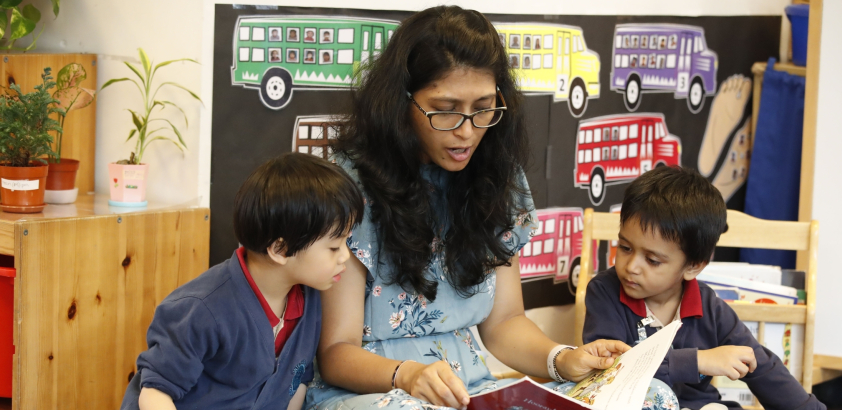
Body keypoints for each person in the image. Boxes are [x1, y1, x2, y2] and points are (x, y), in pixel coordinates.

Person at [304, 6, 676, 410]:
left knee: (653, 397)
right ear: (401, 103)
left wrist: (563, 359)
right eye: (445, 110)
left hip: (470, 389)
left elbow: (504, 324)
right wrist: (408, 376)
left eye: (483, 107)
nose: (466, 131)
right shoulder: (350, 188)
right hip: (376, 390)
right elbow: (336, 352)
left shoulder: (499, 179)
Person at [120, 153, 365, 410]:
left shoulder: (309, 298)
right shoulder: (203, 308)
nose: (345, 257)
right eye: (334, 247)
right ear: (280, 249)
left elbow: (296, 383)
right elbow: (155, 392)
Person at [581, 166, 826, 410]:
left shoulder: (710, 307)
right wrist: (698, 361)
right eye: (625, 248)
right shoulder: (605, 292)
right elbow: (610, 370)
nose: (632, 266)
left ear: (693, 266)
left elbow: (759, 364)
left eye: (652, 260)